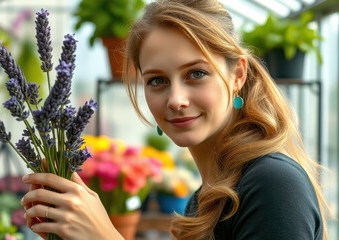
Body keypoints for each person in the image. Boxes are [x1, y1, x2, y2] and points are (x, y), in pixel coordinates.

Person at [21, 0, 329, 239]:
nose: (175, 99)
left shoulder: (272, 184)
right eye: (157, 81)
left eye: (196, 74)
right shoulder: (206, 197)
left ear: (238, 75)